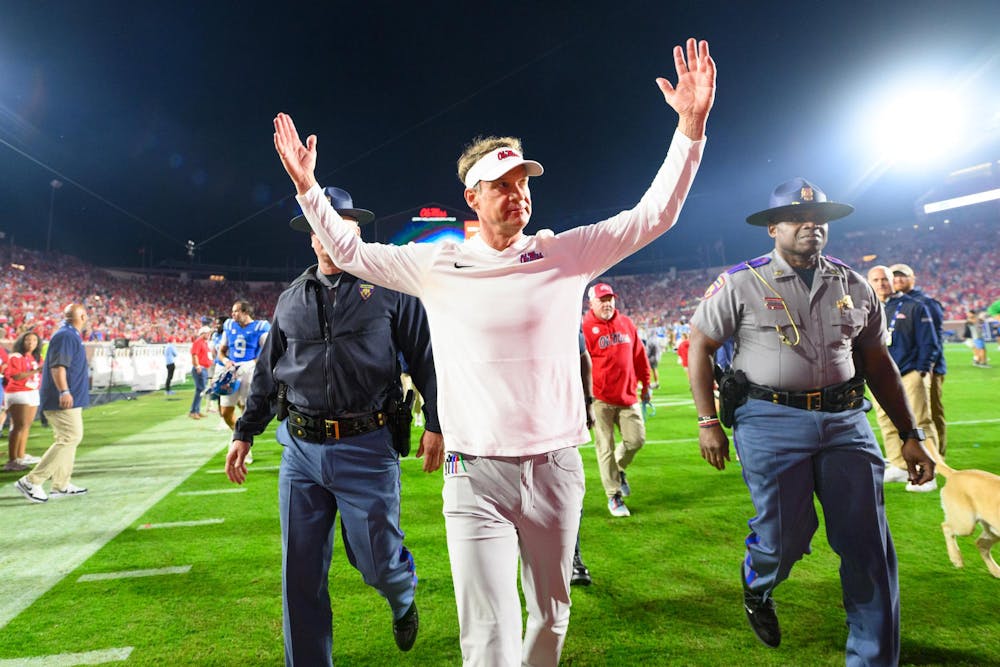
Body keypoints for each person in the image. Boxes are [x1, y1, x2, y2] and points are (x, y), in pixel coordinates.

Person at [273, 37, 714, 666]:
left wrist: (689, 132)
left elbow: (655, 216)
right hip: (473, 473)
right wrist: (308, 189)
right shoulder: (437, 263)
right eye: (500, 184)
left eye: (523, 181)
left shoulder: (566, 255)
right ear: (472, 199)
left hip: (556, 464)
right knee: (485, 630)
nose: (517, 192)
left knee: (551, 617)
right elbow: (349, 253)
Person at [688, 178, 935, 665]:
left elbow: (877, 361)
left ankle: (872, 657)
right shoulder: (741, 282)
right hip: (768, 419)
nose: (811, 225)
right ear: (773, 228)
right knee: (784, 539)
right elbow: (700, 345)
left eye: (819, 218)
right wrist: (706, 421)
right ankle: (758, 583)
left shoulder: (854, 282)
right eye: (799, 219)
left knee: (868, 545)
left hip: (846, 421)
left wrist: (910, 434)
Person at [225, 189, 443, 664]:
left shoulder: (390, 289)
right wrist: (245, 432)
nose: (327, 233)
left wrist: (438, 421)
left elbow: (427, 357)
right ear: (310, 237)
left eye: (337, 224)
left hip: (367, 447)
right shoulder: (288, 300)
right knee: (298, 576)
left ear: (356, 232)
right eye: (318, 225)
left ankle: (401, 594)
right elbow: (267, 372)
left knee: (377, 565)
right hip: (300, 451)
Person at [866, 265, 941, 492]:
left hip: (909, 373)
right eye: (876, 280)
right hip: (880, 376)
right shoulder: (867, 308)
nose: (881, 284)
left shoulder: (915, 306)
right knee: (886, 422)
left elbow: (930, 341)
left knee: (920, 421)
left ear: (892, 281)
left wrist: (922, 369)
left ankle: (931, 472)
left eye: (885, 279)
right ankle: (898, 465)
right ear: (869, 282)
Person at [581, 282, 652, 518]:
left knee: (636, 440)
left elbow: (639, 355)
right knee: (605, 448)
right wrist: (586, 400)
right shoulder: (585, 326)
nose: (607, 303)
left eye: (609, 298)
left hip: (627, 395)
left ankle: (619, 469)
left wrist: (646, 384)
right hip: (600, 399)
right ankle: (613, 495)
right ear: (591, 303)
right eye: (602, 300)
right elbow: (581, 364)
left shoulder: (626, 323)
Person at [13, 304, 92, 503]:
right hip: (62, 398)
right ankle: (31, 481)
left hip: (67, 397)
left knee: (69, 438)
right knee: (70, 437)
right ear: (81, 316)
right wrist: (64, 390)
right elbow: (58, 366)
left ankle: (61, 484)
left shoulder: (68, 334)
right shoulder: (66, 335)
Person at [888, 263, 948, 456]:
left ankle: (937, 455)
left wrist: (928, 365)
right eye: (894, 276)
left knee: (930, 413)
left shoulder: (927, 303)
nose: (897, 280)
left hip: (927, 368)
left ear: (912, 278)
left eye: (902, 276)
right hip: (903, 366)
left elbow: (935, 338)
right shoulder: (891, 302)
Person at [218, 300, 271, 462]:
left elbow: (269, 349)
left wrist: (254, 363)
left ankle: (243, 445)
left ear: (245, 312)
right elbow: (221, 351)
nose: (232, 314)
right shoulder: (229, 325)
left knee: (246, 409)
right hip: (231, 371)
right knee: (225, 412)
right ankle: (238, 436)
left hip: (249, 371)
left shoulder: (260, 327)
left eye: (236, 311)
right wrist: (226, 361)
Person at [572, 331, 595, 587]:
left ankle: (573, 556)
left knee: (568, 493)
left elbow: (582, 356)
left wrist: (588, 402)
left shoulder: (560, 301)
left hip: (558, 417)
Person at [3, 331, 43, 471]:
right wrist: (37, 371)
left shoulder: (34, 357)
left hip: (32, 392)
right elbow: (16, 376)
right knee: (18, 426)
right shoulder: (16, 356)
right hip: (18, 392)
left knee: (26, 426)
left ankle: (20, 455)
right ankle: (12, 460)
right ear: (22, 341)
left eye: (34, 340)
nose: (31, 343)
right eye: (28, 340)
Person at [189, 326, 212, 419]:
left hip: (204, 368)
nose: (209, 335)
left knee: (201, 390)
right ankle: (193, 411)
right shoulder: (198, 342)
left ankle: (196, 410)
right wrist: (197, 366)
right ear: (203, 333)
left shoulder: (204, 343)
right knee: (200, 390)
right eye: (207, 333)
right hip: (200, 368)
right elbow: (194, 354)